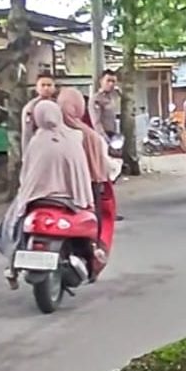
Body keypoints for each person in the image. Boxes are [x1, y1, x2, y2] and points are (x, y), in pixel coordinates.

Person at [0, 101, 97, 286]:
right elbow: (80, 173)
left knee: (13, 222)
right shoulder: (72, 138)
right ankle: (90, 259)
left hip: (36, 198)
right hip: (68, 199)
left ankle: (11, 264)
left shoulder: (36, 142)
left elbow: (26, 175)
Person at [58, 87, 118, 264]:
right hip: (87, 188)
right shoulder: (88, 136)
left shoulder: (46, 134)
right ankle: (94, 252)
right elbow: (104, 167)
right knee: (94, 222)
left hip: (49, 192)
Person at [20, 70, 59, 150]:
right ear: (37, 88)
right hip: (38, 147)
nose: (46, 88)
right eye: (43, 85)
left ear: (54, 87)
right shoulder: (30, 108)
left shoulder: (59, 105)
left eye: (49, 85)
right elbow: (27, 133)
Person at [93, 68, 121, 137]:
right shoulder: (97, 99)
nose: (111, 84)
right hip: (103, 135)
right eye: (108, 81)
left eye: (113, 81)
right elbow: (96, 122)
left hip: (114, 134)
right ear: (101, 81)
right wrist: (105, 138)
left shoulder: (113, 96)